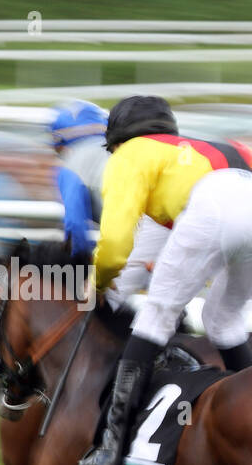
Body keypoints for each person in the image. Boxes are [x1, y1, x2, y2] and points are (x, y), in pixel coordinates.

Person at [79, 95, 252, 465]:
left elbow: (113, 249)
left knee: (156, 318)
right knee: (223, 320)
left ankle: (111, 444)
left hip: (216, 208)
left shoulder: (131, 155)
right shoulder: (213, 150)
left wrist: (98, 285)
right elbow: (235, 221)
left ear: (118, 141)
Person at [47, 99, 167, 308]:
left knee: (97, 307)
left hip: (146, 234)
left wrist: (79, 272)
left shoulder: (70, 166)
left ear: (59, 144)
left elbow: (75, 228)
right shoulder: (125, 149)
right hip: (180, 223)